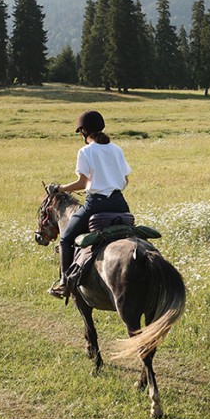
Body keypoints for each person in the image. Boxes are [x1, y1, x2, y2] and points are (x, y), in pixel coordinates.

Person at [47, 110, 132, 298]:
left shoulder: (85, 151)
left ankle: (63, 283)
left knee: (66, 239)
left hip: (96, 205)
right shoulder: (117, 149)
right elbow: (125, 181)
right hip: (120, 204)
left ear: (84, 131)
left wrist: (59, 188)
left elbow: (82, 184)